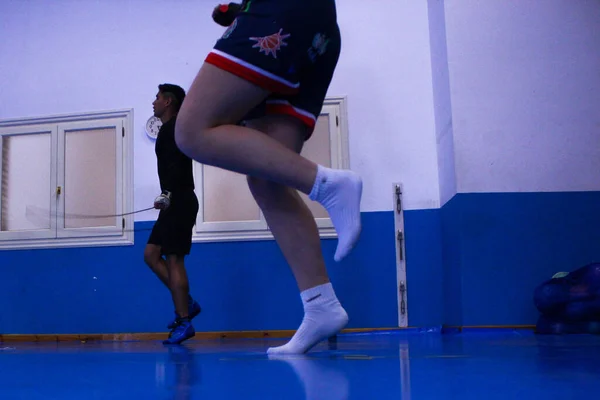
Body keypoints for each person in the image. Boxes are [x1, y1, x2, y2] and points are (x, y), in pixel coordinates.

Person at [174, 1, 363, 354]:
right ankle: (320, 304)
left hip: (283, 11)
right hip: (318, 31)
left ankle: (328, 185)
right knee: (267, 180)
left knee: (190, 131)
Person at [144, 84, 201, 345]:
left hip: (178, 200)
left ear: (168, 102)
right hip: (172, 200)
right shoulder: (170, 130)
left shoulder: (174, 129)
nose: (153, 102)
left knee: (174, 259)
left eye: (157, 98)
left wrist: (168, 194)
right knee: (151, 255)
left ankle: (184, 320)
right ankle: (185, 301)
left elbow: (177, 167)